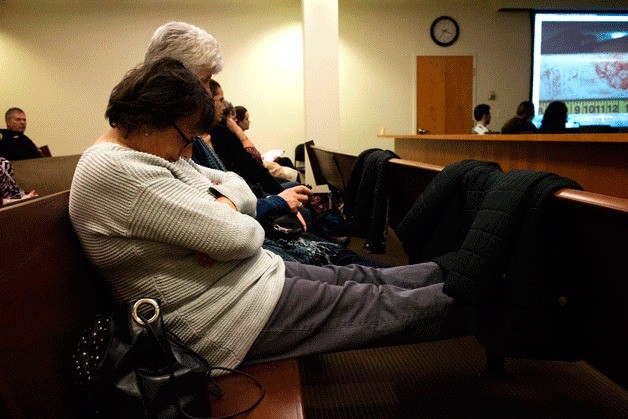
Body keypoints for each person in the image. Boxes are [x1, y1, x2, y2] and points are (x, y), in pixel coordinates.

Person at [69, 57, 457, 374]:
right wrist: (229, 219)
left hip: (246, 280)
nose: (189, 153)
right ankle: (496, 299)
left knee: (360, 277)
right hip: (217, 320)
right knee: (376, 305)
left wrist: (223, 208)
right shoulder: (118, 170)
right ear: (153, 116)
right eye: (187, 138)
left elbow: (233, 181)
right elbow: (240, 238)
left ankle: (466, 269)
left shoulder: (151, 151)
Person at [235, 105, 298, 172]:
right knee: (285, 162)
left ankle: (299, 177)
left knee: (284, 160)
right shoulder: (239, 140)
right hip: (258, 169)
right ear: (238, 122)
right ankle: (299, 178)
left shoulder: (243, 137)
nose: (249, 121)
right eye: (246, 119)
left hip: (260, 162)